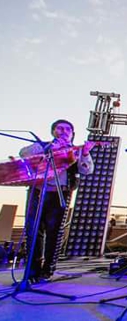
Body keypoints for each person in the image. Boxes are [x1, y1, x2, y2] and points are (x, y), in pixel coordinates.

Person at [19, 119, 94, 283]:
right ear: (53, 131)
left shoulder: (76, 151)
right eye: (60, 128)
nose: (64, 131)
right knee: (33, 231)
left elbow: (86, 170)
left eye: (68, 129)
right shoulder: (43, 146)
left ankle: (47, 271)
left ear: (72, 134)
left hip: (60, 193)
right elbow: (23, 153)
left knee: (54, 233)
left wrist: (86, 153)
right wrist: (49, 148)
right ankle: (32, 271)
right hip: (38, 191)